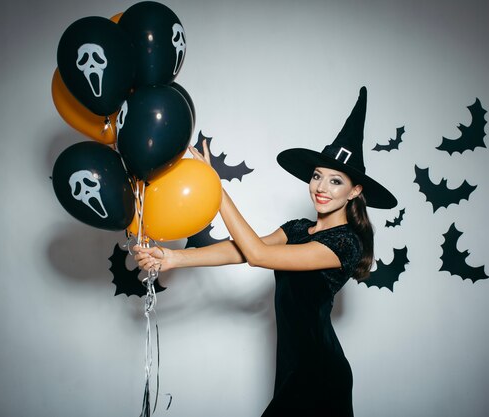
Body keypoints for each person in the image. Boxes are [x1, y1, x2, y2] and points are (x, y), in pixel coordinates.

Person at [134, 87, 397, 416]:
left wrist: (214, 189)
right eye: (317, 176)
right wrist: (175, 258)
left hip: (319, 374)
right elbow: (243, 250)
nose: (321, 187)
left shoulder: (345, 244)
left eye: (335, 181)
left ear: (354, 191)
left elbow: (258, 255)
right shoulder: (300, 229)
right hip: (291, 366)